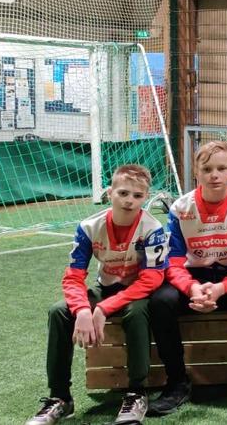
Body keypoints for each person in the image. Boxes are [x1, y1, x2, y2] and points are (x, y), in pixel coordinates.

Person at [26, 164, 169, 425]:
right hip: (105, 287)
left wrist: (103, 308)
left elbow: (152, 279)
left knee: (137, 313)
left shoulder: (152, 228)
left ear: (145, 197)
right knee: (59, 311)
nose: (129, 201)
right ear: (110, 193)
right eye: (123, 193)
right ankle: (60, 398)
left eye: (137, 196)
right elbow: (73, 276)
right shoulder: (89, 226)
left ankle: (137, 393)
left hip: (136, 291)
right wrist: (82, 309)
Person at [147, 141, 227, 415]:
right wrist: (192, 288)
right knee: (161, 300)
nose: (214, 175)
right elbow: (173, 263)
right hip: (193, 277)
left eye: (221, 168)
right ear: (196, 172)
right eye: (207, 169)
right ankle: (176, 383)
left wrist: (221, 288)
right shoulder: (180, 208)